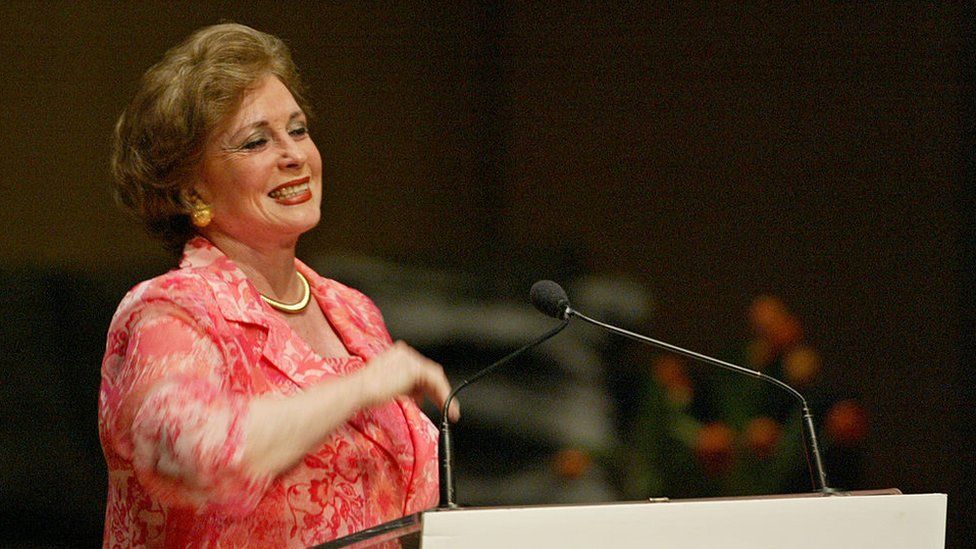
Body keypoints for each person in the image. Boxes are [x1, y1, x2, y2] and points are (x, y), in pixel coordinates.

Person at [99, 23, 458, 547]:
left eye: (298, 129)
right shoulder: (167, 313)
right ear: (190, 187)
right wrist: (359, 388)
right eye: (255, 141)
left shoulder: (350, 310)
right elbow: (196, 457)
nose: (293, 155)